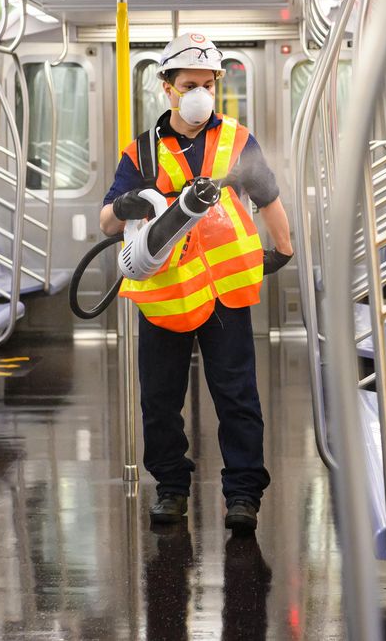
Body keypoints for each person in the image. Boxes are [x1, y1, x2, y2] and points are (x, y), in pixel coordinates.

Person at [100, 32, 293, 532]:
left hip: (225, 292)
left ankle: (244, 495)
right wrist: (124, 207)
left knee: (236, 396)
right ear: (166, 87)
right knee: (160, 399)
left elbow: (268, 196)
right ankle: (170, 488)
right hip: (164, 296)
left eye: (208, 83)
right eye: (190, 84)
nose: (201, 93)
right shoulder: (141, 152)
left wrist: (285, 247)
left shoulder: (236, 140)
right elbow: (106, 222)